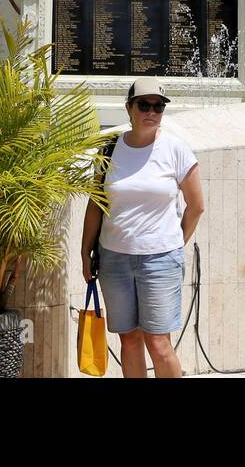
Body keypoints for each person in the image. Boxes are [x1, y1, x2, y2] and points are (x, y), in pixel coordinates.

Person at [81, 78, 205, 378]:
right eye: (144, 105)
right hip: (114, 260)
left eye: (158, 106)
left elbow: (196, 206)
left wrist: (174, 243)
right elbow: (96, 204)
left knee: (159, 343)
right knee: (129, 339)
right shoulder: (109, 149)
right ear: (129, 108)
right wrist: (85, 253)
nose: (151, 112)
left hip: (160, 261)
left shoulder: (175, 149)